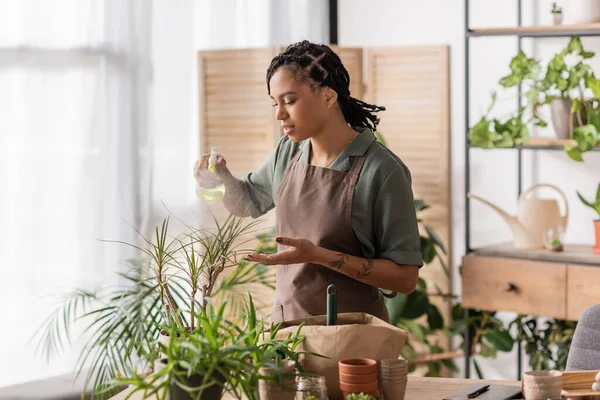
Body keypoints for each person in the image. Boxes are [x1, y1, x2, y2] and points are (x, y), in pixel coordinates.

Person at [193, 40, 423, 324]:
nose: (279, 114)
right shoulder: (288, 151)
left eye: (289, 100)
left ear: (328, 96)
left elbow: (405, 278)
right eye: (275, 103)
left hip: (354, 342)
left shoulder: (381, 170)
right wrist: (221, 179)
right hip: (288, 332)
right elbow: (249, 202)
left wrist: (318, 255)